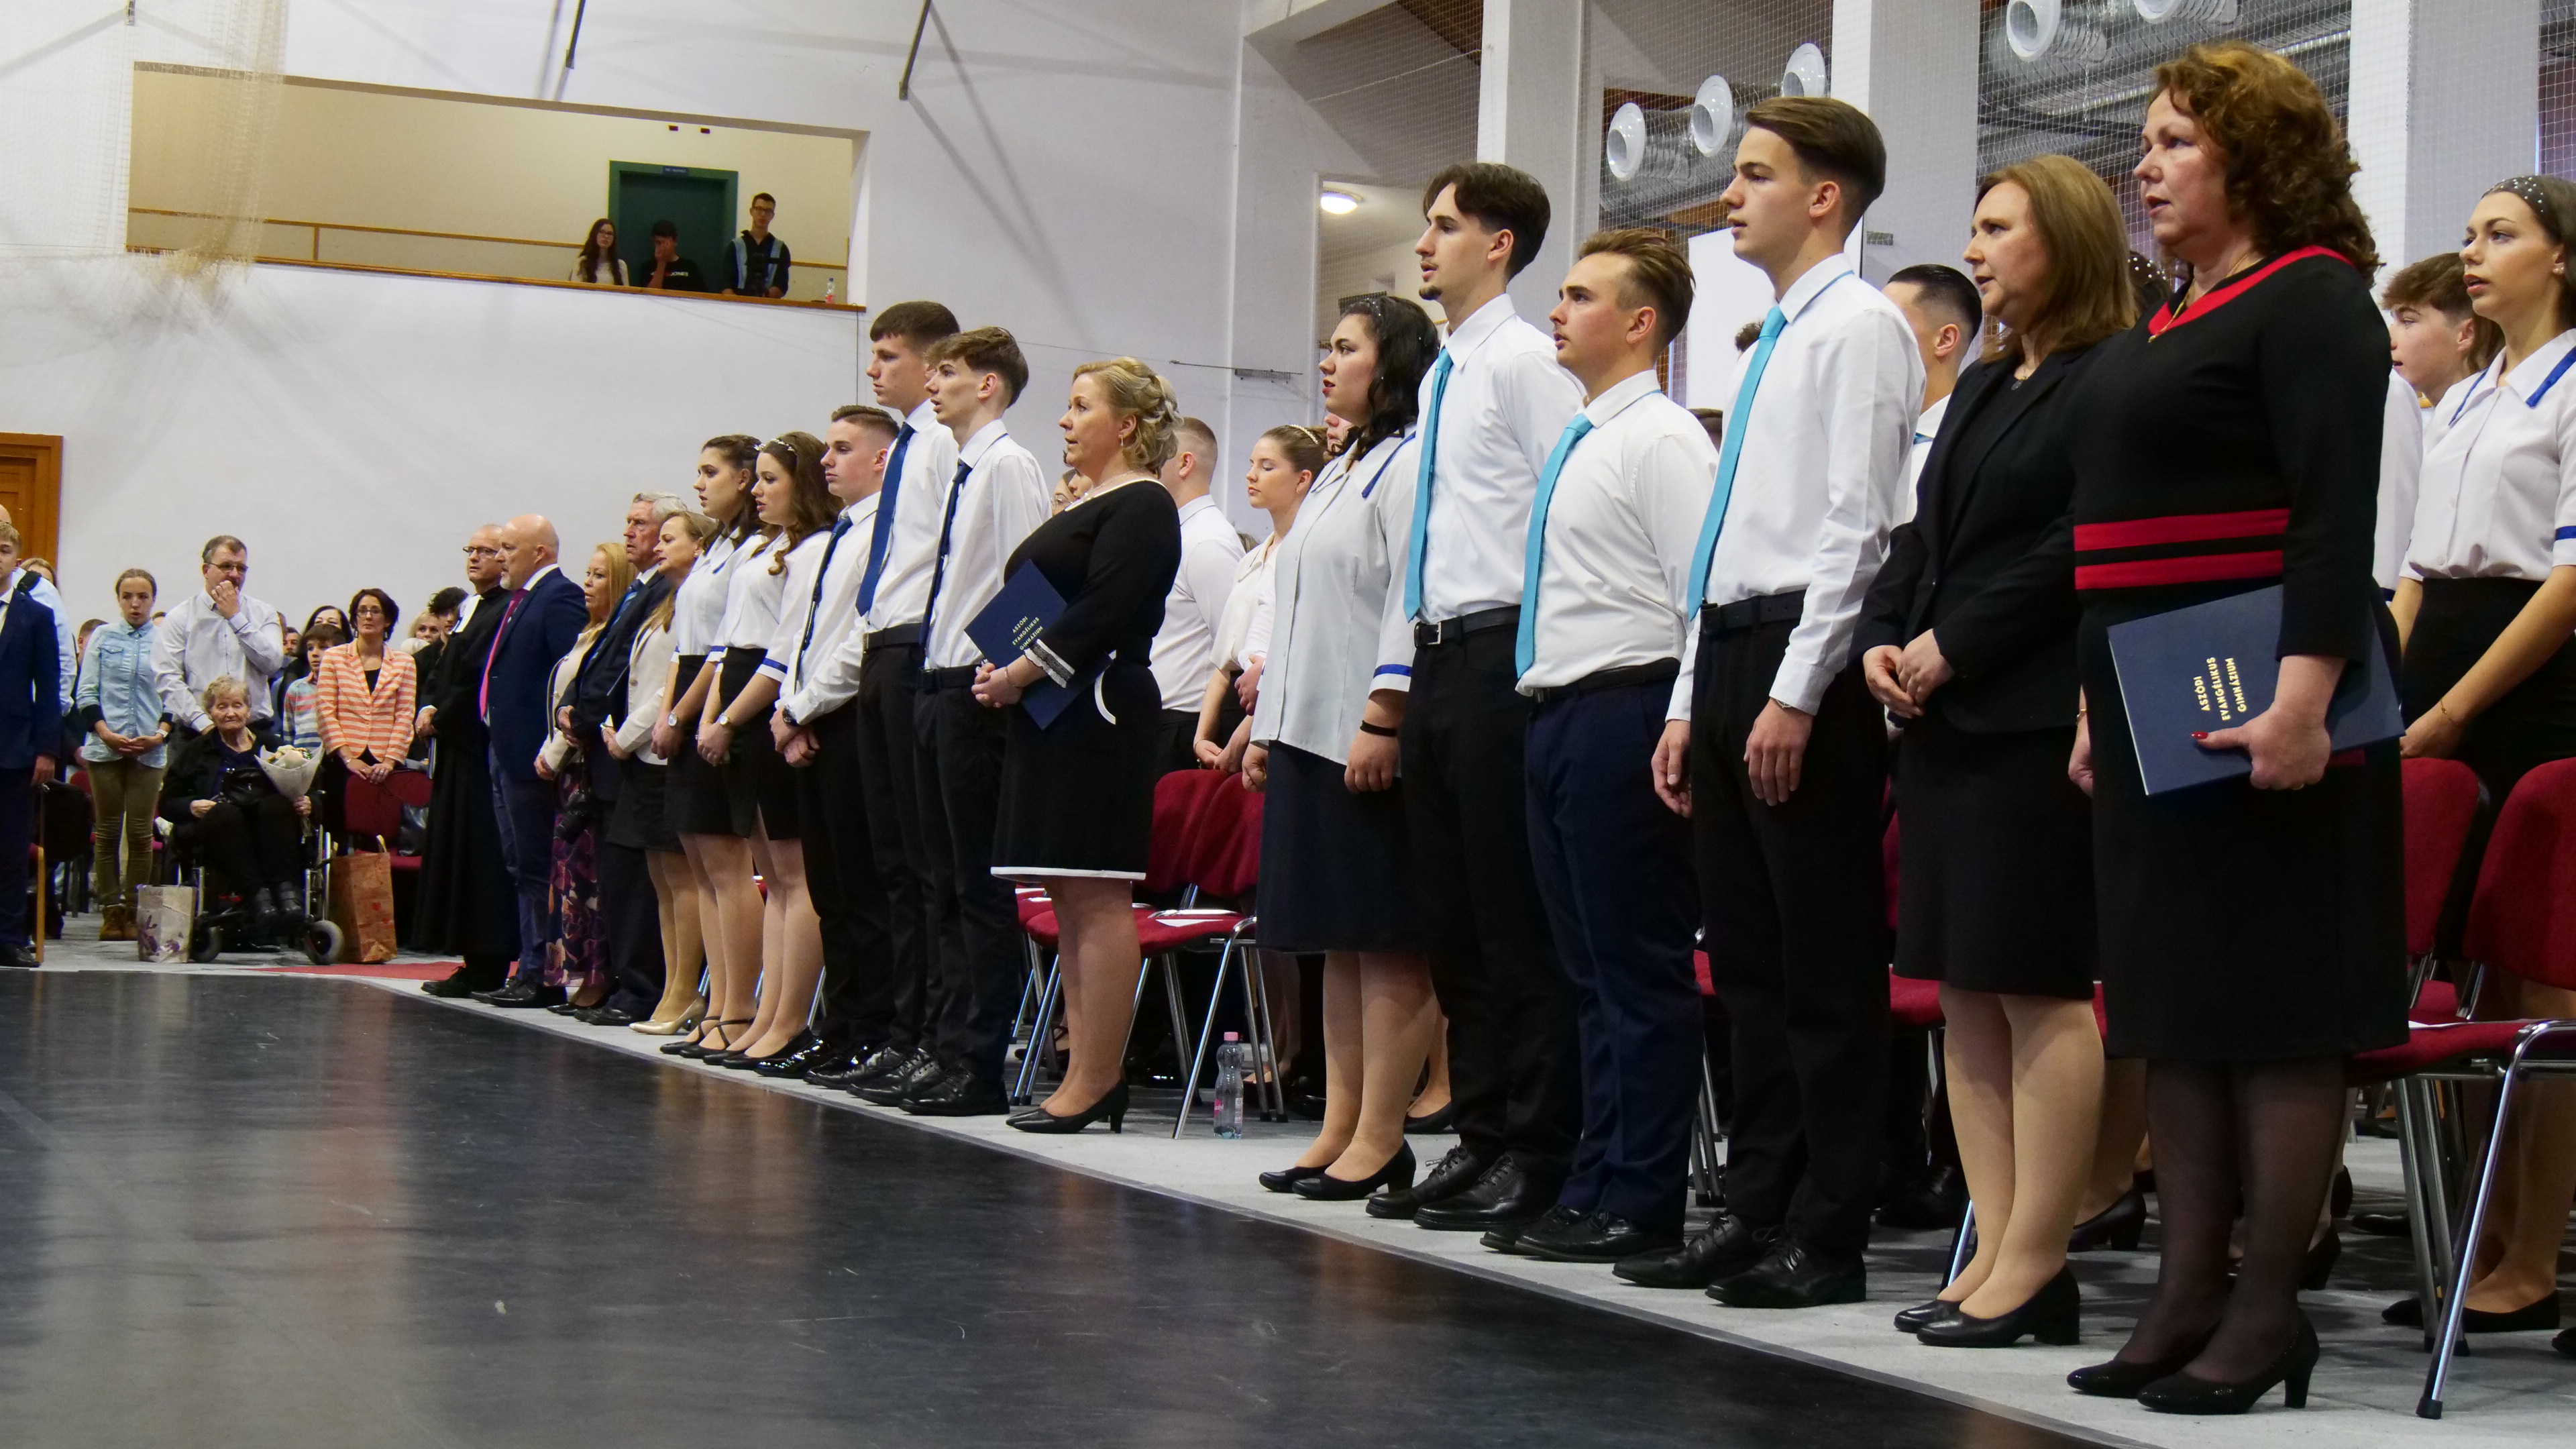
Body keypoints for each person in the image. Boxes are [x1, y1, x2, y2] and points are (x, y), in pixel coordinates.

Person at [2059, 42, 2403, 1413]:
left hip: (2266, 691)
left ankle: (2267, 1311)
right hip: (2150, 694)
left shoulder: (2314, 298)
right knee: (2179, 1008)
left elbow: (2331, 515)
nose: (2145, 166)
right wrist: (2098, 706)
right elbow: (2116, 536)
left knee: (2273, 1014)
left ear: (2255, 161)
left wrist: (2306, 696)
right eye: (2146, 143)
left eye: (2178, 143)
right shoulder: (2168, 317)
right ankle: (2185, 1292)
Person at [1637, 97, 1921, 1308]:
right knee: (1749, 964)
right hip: (1733, 644)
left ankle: (1829, 1227)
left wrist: (1799, 692)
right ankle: (1756, 1204)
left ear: (1824, 195)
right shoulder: (1766, 342)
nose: (1730, 195)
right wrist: (1689, 697)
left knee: (1823, 967)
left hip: (1809, 652)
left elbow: (1859, 528)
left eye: (1755, 175)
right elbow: (1722, 542)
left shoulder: (1862, 327)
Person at [1856, 155, 2136, 1346]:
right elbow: (1923, 535)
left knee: (2038, 986)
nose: (1973, 249)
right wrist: (1882, 636)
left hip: (2031, 712)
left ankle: (2039, 1256)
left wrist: (1954, 644)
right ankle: (1992, 1244)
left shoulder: (2109, 375)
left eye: (1996, 227)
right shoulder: (1979, 383)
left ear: (2062, 240)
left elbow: (2081, 543)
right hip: (1944, 720)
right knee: (1965, 991)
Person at [1480, 228, 1719, 1265]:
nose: (1557, 310)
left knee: (1636, 969)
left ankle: (1644, 1195)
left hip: (1627, 707)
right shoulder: (1584, 437)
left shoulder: (1661, 438)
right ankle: (1594, 1179)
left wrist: (1684, 714)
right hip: (1558, 709)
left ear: (1640, 323)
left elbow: (1698, 596)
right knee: (1586, 972)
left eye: (1581, 296)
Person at [2376, 174, 2576, 1340]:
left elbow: (2568, 580)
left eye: (2501, 235)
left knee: (2541, 980)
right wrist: (2389, 693)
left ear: (2562, 258)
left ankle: (2532, 1254)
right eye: (2468, 236)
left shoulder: (2570, 386)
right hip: (2441, 663)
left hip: (2531, 684)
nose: (2474, 253)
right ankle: (2480, 1236)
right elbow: (2414, 571)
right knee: (2471, 972)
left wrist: (2456, 708)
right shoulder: (2463, 396)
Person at [1377, 160, 1587, 1237]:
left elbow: (1570, 506)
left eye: (1446, 226)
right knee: (1454, 922)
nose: (1425, 244)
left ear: (1500, 245)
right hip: (1440, 655)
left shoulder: (1522, 364)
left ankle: (1541, 1148)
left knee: (1513, 923)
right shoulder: (1444, 375)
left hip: (1507, 649)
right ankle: (1485, 1130)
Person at [1242, 294, 1438, 1197]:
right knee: (1335, 940)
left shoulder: (1410, 463)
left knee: (1384, 938)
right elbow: (1295, 609)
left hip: (1361, 729)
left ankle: (1383, 1134)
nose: (1327, 362)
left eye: (1347, 348)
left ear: (1390, 364)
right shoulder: (1336, 469)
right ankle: (1340, 1125)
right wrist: (1267, 727)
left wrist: (1384, 715)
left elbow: (1408, 597)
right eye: (1327, 347)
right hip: (1305, 728)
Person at [973, 357, 1183, 1133]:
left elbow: (1102, 610)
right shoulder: (1089, 500)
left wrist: (1020, 671)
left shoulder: (1144, 502)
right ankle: (1082, 1070)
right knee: (1068, 891)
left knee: (1096, 891)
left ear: (1126, 424)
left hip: (1098, 705)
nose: (1064, 419)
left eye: (1080, 406)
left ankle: (1097, 1078)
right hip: (1052, 705)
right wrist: (1003, 667)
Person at [901, 325, 1051, 1116]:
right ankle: (946, 1044)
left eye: (949, 371)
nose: (933, 384)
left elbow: (1031, 577)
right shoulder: (965, 470)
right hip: (937, 681)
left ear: (989, 384)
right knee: (942, 884)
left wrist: (1006, 673)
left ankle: (980, 1059)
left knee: (978, 887)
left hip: (975, 687)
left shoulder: (1008, 464)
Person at [819, 301, 963, 1100]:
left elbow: (955, 555)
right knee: (892, 866)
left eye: (888, 356)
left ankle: (933, 1036)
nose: (874, 370)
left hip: (919, 645)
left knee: (922, 864)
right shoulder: (912, 442)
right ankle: (902, 1034)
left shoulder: (942, 442)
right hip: (884, 643)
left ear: (933, 361)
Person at [769, 405, 903, 1081]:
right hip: (813, 718)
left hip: (847, 718)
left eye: (843, 449)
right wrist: (792, 709)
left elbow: (861, 635)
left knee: (861, 891)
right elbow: (808, 635)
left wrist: (803, 707)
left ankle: (870, 1028)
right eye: (827, 448)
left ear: (882, 460)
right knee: (830, 894)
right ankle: (839, 1025)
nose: (826, 461)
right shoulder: (839, 533)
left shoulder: (884, 529)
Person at [693, 433, 835, 1065]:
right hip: (745, 697)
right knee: (773, 877)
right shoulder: (766, 546)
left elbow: (786, 647)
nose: (757, 490)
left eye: (771, 479)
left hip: (769, 701)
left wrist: (730, 716)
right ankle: (763, 1012)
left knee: (794, 874)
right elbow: (731, 642)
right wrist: (714, 714)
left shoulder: (815, 548)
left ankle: (787, 1017)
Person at [653, 438, 763, 1059]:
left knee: (726, 866)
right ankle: (716, 1002)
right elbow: (686, 644)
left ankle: (737, 1007)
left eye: (710, 472)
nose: (699, 484)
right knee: (700, 863)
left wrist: (689, 713)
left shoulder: (751, 547)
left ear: (744, 479)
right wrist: (670, 711)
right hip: (694, 691)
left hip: (718, 694)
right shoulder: (719, 545)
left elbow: (723, 650)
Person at [564, 492, 683, 1026]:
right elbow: (607, 658)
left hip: (635, 747)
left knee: (639, 880)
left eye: (642, 524)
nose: (631, 532)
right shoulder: (642, 589)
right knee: (622, 876)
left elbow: (642, 678)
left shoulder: (665, 592)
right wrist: (576, 708)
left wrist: (596, 720)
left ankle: (646, 987)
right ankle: (627, 981)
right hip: (613, 745)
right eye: (629, 523)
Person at [470, 514, 590, 1008]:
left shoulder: (558, 596)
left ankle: (542, 971)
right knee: (520, 866)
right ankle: (529, 963)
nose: (499, 558)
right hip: (504, 751)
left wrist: (552, 745)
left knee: (537, 866)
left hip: (530, 756)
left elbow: (570, 673)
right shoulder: (521, 599)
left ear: (539, 552)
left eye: (508, 549)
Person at [610, 509, 714, 1035]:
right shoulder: (668, 602)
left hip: (663, 744)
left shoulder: (696, 603)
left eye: (670, 538)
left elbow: (668, 687)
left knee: (684, 877)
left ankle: (685, 989)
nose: (658, 545)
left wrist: (631, 735)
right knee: (664, 879)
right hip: (648, 751)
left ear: (699, 547)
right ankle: (675, 985)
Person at [417, 525, 519, 996]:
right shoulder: (472, 608)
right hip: (455, 751)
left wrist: (441, 716)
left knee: (483, 857)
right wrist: (427, 704)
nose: (474, 557)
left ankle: (489, 960)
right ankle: (471, 957)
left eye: (486, 551)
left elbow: (478, 679)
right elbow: (444, 669)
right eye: (471, 550)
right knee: (459, 854)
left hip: (477, 748)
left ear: (505, 558)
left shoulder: (505, 608)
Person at [535, 544, 634, 1006]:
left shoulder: (611, 638)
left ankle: (597, 975)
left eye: (598, 576)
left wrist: (555, 753)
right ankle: (569, 972)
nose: (587, 584)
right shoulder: (589, 633)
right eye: (587, 574)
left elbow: (593, 703)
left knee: (590, 878)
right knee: (568, 876)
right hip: (568, 770)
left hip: (588, 766)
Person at [2379, 254, 2502, 594]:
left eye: (2408, 321)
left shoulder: (2499, 431)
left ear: (2466, 334)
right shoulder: (2435, 425)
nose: (2390, 338)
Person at [1193, 430, 1315, 771]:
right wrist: (1202, 736)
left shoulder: (1306, 555)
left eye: (1267, 466)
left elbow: (1287, 661)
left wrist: (1245, 736)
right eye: (1251, 464)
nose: (1251, 475)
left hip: (1267, 707)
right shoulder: (1251, 560)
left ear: (1302, 479)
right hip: (1235, 698)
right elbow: (1223, 662)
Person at [158, 677, 307, 939]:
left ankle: (288, 897)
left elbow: (307, 785)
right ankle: (260, 899)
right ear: (210, 713)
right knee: (225, 814)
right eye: (222, 707)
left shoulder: (271, 746)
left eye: (237, 705)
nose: (230, 713)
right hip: (221, 831)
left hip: (270, 828)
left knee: (275, 805)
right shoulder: (197, 751)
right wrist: (192, 806)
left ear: (248, 710)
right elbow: (168, 803)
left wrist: (308, 802)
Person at [77, 568, 168, 942]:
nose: (135, 604)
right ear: (118, 599)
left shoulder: (165, 640)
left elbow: (174, 694)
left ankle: (134, 910)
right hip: (106, 746)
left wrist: (159, 736)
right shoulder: (103, 637)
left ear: (152, 600)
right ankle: (111, 911)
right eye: (128, 596)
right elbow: (86, 692)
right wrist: (105, 733)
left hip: (150, 747)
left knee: (141, 832)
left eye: (143, 597)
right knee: (108, 830)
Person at [1150, 416, 1245, 771]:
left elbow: (1235, 647)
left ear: (1185, 463)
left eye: (1155, 454)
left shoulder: (1207, 541)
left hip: (1184, 724)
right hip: (1162, 719)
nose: (1145, 463)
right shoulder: (1179, 532)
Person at [152, 535, 286, 738]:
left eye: (241, 568)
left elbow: (272, 664)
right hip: (197, 732)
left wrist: (235, 617)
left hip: (254, 729)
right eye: (226, 566)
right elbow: (168, 678)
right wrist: (203, 724)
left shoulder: (264, 613)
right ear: (206, 570)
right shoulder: (180, 617)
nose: (234, 574)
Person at [0, 523, 60, 969]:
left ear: (16, 561)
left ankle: (8, 936)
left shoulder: (35, 615)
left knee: (10, 847)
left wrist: (46, 749)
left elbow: (49, 685)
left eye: (3, 550)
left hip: (15, 746)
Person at [311, 589, 416, 837]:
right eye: (362, 611)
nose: (368, 616)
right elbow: (325, 711)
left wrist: (389, 761)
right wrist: (348, 758)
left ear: (387, 620)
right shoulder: (334, 658)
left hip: (385, 761)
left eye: (375, 611)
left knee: (381, 834)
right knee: (339, 831)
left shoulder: (404, 663)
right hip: (342, 759)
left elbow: (404, 714)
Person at [1883, 263, 1982, 497]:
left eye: (1891, 324)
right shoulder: (1873, 434)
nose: (1874, 335)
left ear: (1945, 339)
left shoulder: (1974, 449)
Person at [278, 618, 341, 751]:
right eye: (310, 648)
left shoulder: (345, 687)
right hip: (305, 757)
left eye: (323, 647)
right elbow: (289, 731)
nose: (314, 653)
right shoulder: (296, 689)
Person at [720, 193, 792, 299]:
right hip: (737, 304)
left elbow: (781, 286)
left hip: (767, 304)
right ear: (751, 211)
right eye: (759, 209)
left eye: (768, 211)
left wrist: (763, 297)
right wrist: (737, 303)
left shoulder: (780, 248)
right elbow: (726, 284)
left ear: (772, 215)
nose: (763, 214)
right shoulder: (736, 246)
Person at [637, 219, 705, 292]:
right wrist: (661, 263)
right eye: (658, 243)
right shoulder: (647, 267)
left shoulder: (690, 267)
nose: (663, 247)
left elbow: (702, 296)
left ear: (675, 242)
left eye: (666, 243)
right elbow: (648, 296)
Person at [570, 218, 627, 285]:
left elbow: (626, 290)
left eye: (610, 233)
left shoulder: (621, 265)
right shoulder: (582, 263)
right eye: (601, 232)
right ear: (595, 235)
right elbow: (576, 289)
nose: (606, 236)